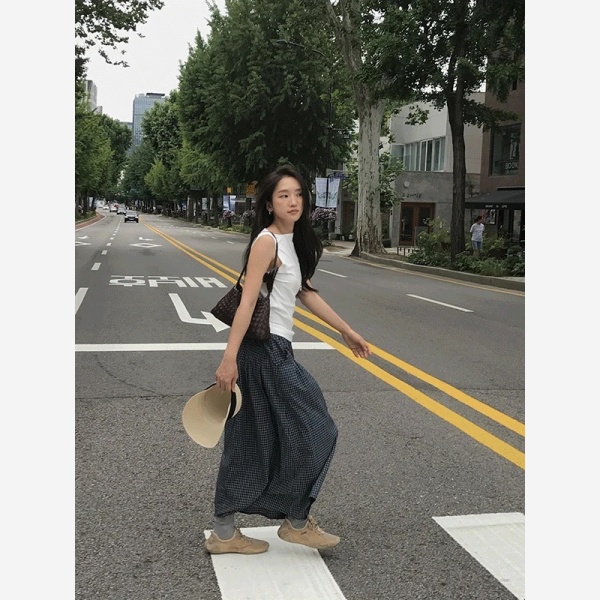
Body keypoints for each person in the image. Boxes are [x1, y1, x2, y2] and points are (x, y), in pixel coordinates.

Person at [205, 164, 371, 555]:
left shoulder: (291, 241)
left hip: (276, 349)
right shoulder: (267, 242)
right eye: (283, 195)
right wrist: (229, 358)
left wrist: (346, 330)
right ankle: (293, 522)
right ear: (268, 204)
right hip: (264, 352)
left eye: (298, 194)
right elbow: (247, 302)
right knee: (316, 429)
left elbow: (306, 292)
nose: (293, 201)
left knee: (257, 437)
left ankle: (229, 531)